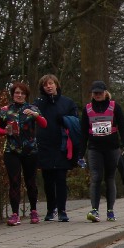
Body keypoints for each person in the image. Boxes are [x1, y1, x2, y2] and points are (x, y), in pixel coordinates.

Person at [0, 81, 47, 225]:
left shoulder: (32, 109)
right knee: (14, 181)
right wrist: (5, 131)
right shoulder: (5, 110)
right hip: (11, 150)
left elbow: (44, 124)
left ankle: (34, 211)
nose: (19, 95)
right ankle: (15, 214)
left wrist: (35, 115)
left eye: (22, 93)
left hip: (30, 150)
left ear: (26, 95)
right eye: (17, 93)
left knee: (31, 181)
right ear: (12, 94)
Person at [81, 81, 124, 222]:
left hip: (112, 149)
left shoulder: (115, 107)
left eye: (100, 92)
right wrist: (81, 154)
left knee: (109, 178)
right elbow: (83, 133)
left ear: (105, 93)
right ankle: (94, 210)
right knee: (96, 178)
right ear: (92, 94)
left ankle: (110, 211)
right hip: (94, 149)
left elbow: (123, 127)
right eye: (95, 93)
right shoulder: (87, 109)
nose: (97, 95)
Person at [34, 74, 79, 222]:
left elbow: (76, 121)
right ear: (42, 88)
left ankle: (62, 210)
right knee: (48, 180)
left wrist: (65, 120)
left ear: (56, 85)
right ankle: (50, 209)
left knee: (60, 179)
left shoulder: (68, 102)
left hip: (62, 145)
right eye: (45, 84)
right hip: (44, 145)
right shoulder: (38, 103)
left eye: (51, 83)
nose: (48, 86)